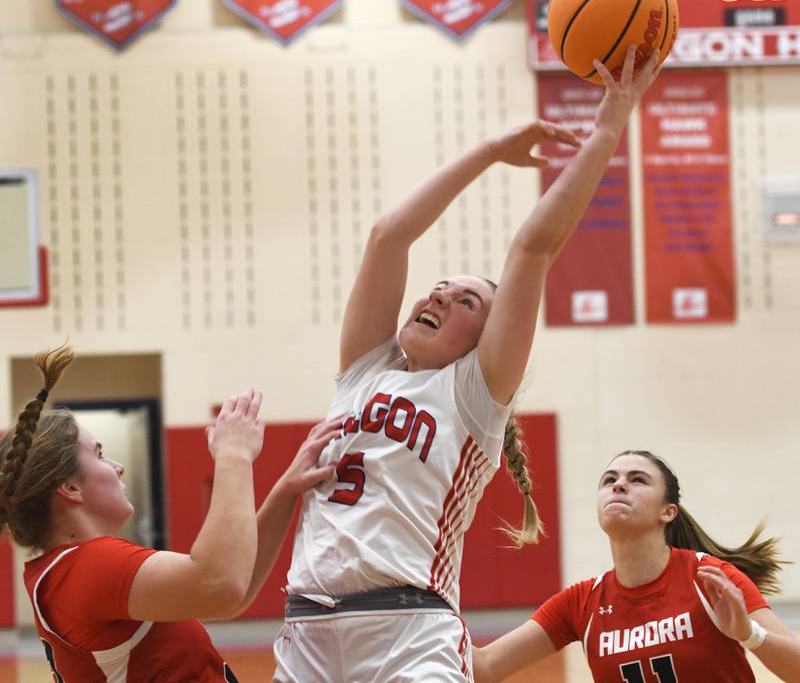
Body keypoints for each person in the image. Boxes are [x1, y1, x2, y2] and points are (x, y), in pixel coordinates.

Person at [272, 45, 663, 683]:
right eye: (438, 288)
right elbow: (389, 236)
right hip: (307, 631)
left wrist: (608, 128)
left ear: (485, 337)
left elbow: (534, 246)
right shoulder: (366, 367)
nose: (436, 297)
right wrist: (487, 151)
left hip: (408, 631)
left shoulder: (472, 394)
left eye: (466, 301)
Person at [0, 345, 336, 682]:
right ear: (70, 488)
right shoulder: (87, 566)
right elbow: (219, 584)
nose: (117, 467)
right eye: (99, 454)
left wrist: (286, 491)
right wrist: (233, 453)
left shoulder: (65, 571)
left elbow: (232, 589)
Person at [472, 450, 800, 682]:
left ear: (668, 511)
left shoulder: (708, 577)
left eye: (637, 479)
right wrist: (429, 607)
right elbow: (485, 667)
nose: (618, 485)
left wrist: (749, 634)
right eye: (609, 479)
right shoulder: (580, 602)